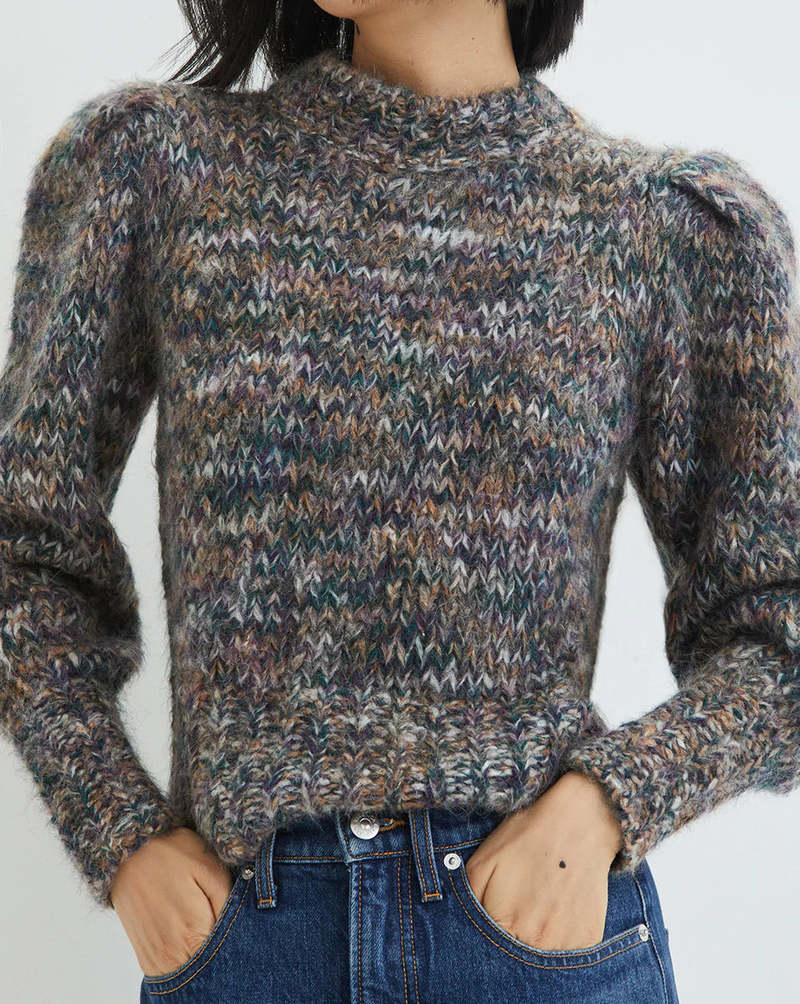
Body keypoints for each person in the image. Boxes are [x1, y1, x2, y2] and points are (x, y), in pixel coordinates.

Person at [2, 1, 798, 1000]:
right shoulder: (161, 170)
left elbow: (778, 628)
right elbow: (23, 552)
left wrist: (606, 801)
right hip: (252, 943)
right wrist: (120, 834)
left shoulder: (661, 224)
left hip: (534, 938)